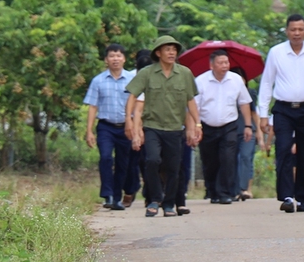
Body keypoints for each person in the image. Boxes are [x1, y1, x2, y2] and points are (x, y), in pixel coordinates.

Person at [257, 14, 304, 213]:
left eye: (300, 29)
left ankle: (303, 198)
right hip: (283, 109)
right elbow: (266, 82)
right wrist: (263, 114)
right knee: (282, 149)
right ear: (287, 31)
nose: (297, 33)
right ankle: (287, 197)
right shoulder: (276, 52)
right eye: (293, 29)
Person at [126, 35, 200, 217]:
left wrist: (197, 124)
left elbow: (190, 101)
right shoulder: (147, 73)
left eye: (174, 49)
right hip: (152, 126)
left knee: (174, 167)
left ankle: (169, 205)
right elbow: (133, 97)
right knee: (151, 160)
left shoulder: (185, 73)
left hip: (175, 128)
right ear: (158, 53)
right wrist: (129, 119)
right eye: (167, 49)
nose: (171, 52)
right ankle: (154, 199)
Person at [195, 49, 255, 206]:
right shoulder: (201, 81)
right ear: (211, 65)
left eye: (226, 62)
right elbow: (194, 106)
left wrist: (248, 125)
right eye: (220, 63)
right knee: (210, 161)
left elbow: (244, 103)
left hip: (229, 126)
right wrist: (196, 126)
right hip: (207, 126)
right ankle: (212, 191)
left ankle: (224, 193)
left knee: (228, 159)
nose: (224, 66)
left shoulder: (236, 80)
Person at [83, 44, 138, 211]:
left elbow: (138, 105)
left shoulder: (132, 80)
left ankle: (117, 198)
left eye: (119, 56)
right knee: (106, 158)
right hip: (106, 127)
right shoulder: (98, 80)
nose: (115, 59)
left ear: (124, 59)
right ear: (106, 60)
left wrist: (136, 128)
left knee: (123, 163)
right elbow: (93, 106)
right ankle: (107, 194)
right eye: (112, 56)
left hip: (126, 127)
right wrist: (89, 131)